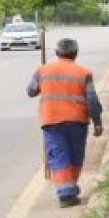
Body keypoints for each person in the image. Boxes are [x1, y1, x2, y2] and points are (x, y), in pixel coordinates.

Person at [26, 38, 104, 207]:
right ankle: (69, 190)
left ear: (56, 53)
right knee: (75, 156)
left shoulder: (43, 70)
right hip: (78, 121)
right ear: (75, 54)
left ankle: (67, 193)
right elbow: (92, 100)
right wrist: (97, 122)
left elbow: (30, 91)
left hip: (52, 120)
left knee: (59, 155)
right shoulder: (84, 72)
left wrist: (43, 81)